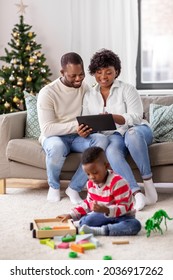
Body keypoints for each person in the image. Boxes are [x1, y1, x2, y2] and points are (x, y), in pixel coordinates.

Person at [82, 49, 158, 211]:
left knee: (132, 134)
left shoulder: (127, 89)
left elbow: (136, 117)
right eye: (99, 72)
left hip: (137, 130)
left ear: (116, 72)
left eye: (108, 72)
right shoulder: (89, 95)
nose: (103, 76)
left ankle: (149, 186)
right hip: (113, 135)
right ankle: (136, 194)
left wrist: (114, 117)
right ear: (93, 73)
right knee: (111, 152)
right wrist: (85, 129)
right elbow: (86, 118)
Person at [37, 52, 109, 204]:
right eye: (73, 76)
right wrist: (76, 127)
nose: (78, 79)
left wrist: (96, 120)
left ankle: (74, 188)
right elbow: (47, 129)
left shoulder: (84, 87)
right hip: (54, 137)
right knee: (56, 146)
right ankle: (54, 186)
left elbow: (90, 111)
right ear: (62, 73)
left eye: (81, 75)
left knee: (101, 140)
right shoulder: (48, 93)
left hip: (77, 136)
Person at [57, 146, 141, 236]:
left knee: (135, 225)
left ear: (106, 166)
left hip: (123, 217)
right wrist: (71, 215)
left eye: (95, 172)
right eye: (88, 174)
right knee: (88, 220)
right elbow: (88, 203)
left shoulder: (119, 183)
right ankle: (79, 225)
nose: (92, 177)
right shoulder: (90, 184)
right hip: (103, 215)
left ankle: (100, 231)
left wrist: (107, 210)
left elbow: (125, 207)